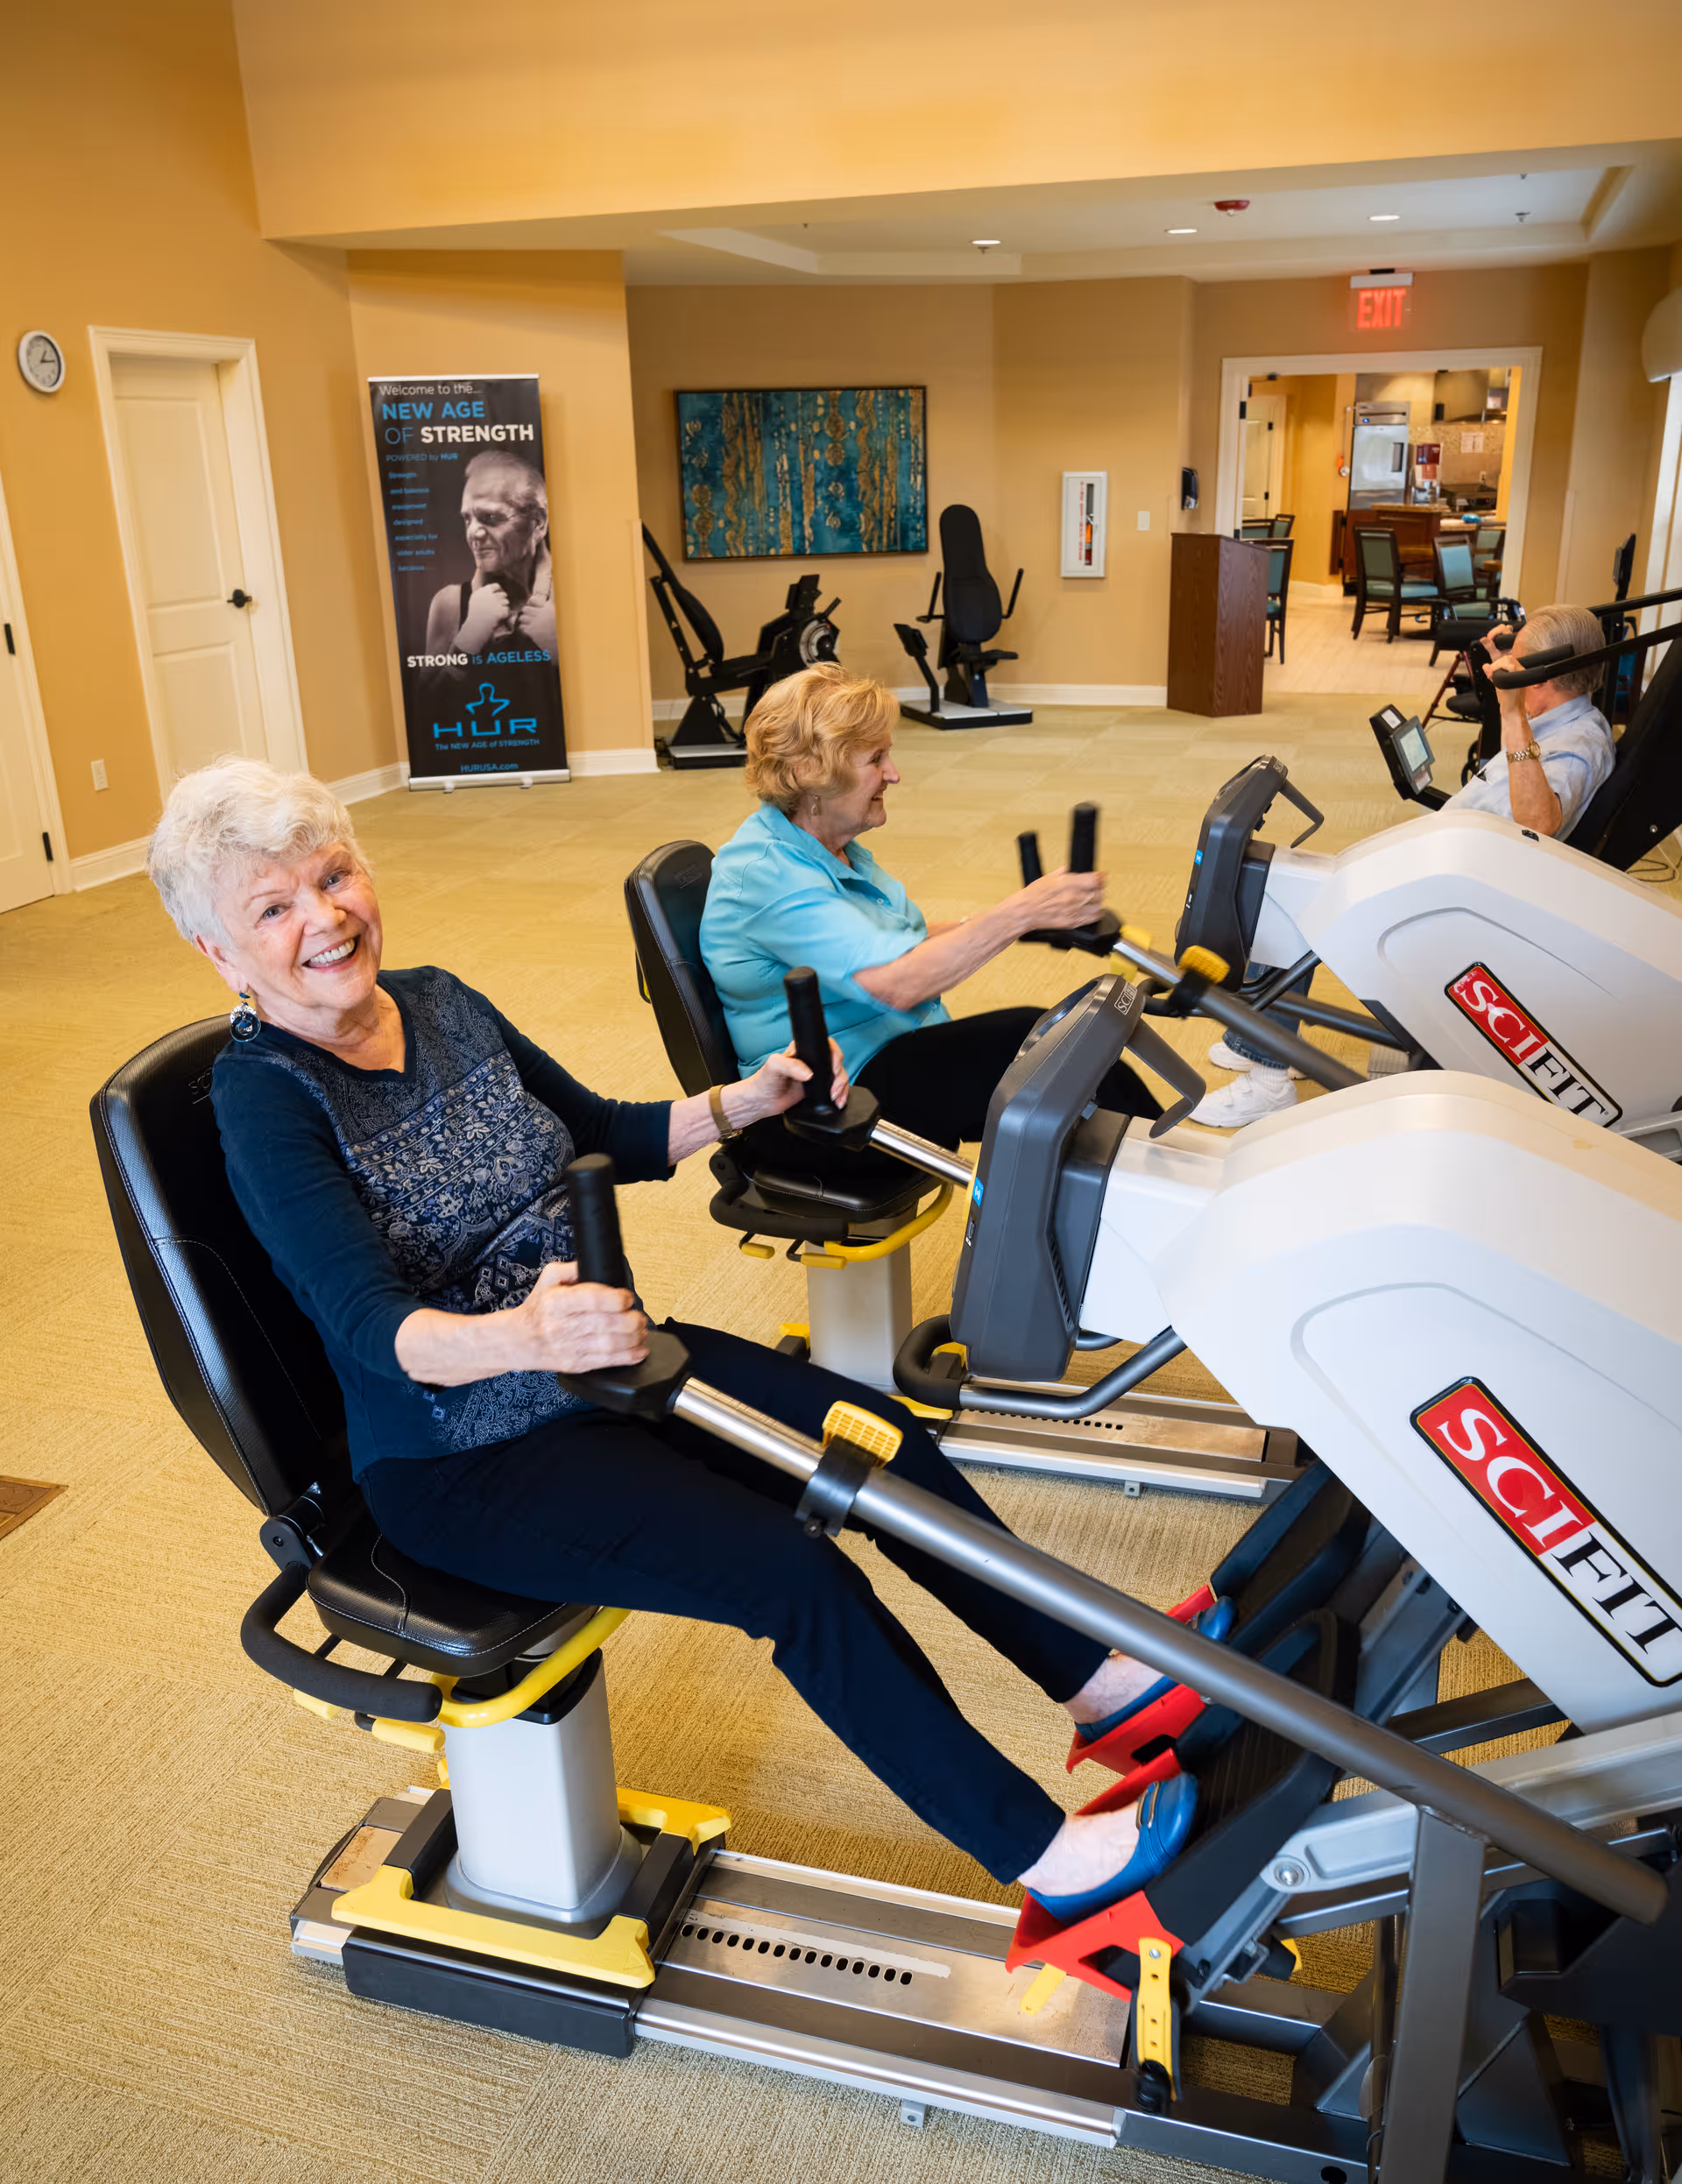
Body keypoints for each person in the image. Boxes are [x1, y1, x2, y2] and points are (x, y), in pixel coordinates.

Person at [145, 756, 1202, 1922]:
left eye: (333, 874)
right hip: (463, 1454)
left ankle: (1093, 1682)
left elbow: (603, 1130)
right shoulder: (267, 1099)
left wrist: (750, 1100)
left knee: (881, 1439)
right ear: (221, 955)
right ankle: (1043, 1856)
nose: (327, 918)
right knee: (790, 1571)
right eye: (275, 908)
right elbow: (375, 1332)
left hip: (613, 1362)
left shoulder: (440, 998)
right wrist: (525, 1332)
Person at [699, 664, 1161, 1170]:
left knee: (1062, 1058)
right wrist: (1019, 911)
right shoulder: (767, 873)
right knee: (1044, 1056)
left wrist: (1024, 918)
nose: (893, 773)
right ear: (811, 771)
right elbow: (898, 982)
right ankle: (1169, 1183)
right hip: (821, 1109)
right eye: (876, 759)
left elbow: (903, 941)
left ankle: (1153, 1179)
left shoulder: (827, 848)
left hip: (880, 1061)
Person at [1191, 603, 1615, 1130]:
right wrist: (1510, 670)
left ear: (1547, 673)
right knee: (1282, 875)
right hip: (1449, 860)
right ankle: (1258, 1037)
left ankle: (1267, 1079)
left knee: (1279, 894)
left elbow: (1540, 822)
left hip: (1464, 893)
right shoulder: (1560, 717)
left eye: (1520, 659)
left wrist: (1510, 711)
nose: (1507, 665)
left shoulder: (1579, 742)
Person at [424, 450, 558, 662]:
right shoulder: (449, 605)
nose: (473, 533)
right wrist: (466, 641)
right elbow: (424, 696)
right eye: (468, 519)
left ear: (539, 523)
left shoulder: (572, 596)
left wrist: (558, 645)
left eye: (491, 517)